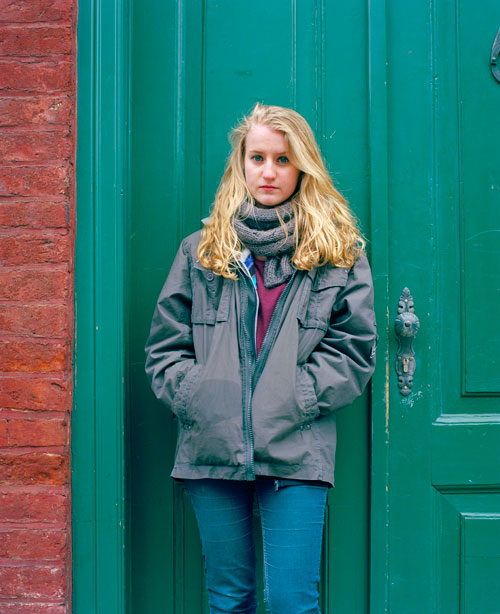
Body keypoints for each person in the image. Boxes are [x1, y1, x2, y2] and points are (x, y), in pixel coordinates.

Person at [145, 103, 377, 614]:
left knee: (293, 601)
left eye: (283, 159)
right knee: (229, 600)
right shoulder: (201, 252)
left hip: (297, 447)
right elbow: (165, 348)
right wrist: (198, 395)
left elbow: (354, 349)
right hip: (212, 447)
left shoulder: (337, 254)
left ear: (303, 167)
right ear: (241, 164)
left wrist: (298, 396)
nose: (269, 171)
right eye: (258, 158)